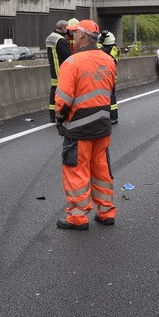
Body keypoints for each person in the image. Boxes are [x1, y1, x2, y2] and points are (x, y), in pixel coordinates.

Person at [55, 19, 118, 230]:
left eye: (74, 34)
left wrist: (59, 118)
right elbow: (109, 91)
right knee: (101, 169)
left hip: (78, 129)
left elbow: (63, 100)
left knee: (76, 171)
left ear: (82, 35)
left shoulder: (72, 63)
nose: (71, 38)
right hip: (102, 125)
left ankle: (77, 217)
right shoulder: (109, 60)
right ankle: (106, 211)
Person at [45, 20, 73, 123]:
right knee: (62, 93)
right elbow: (68, 56)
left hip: (53, 69)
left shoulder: (50, 37)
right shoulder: (61, 40)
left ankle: (52, 115)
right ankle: (60, 114)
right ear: (63, 28)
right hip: (61, 70)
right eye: (67, 28)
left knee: (53, 91)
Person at [99, 30, 120, 124]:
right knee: (112, 96)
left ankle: (108, 117)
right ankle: (114, 117)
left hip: (106, 76)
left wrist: (100, 40)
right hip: (113, 76)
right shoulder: (115, 49)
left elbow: (95, 49)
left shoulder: (105, 51)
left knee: (106, 97)